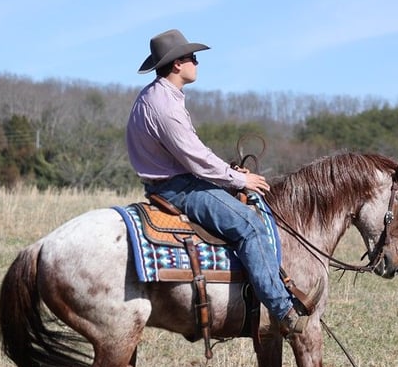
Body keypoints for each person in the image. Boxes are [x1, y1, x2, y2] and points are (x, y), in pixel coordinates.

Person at [125, 29, 318, 337]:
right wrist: (238, 178)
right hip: (180, 188)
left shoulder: (154, 95)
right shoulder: (165, 106)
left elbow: (192, 153)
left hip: (172, 181)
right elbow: (195, 158)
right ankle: (284, 311)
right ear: (176, 64)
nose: (196, 63)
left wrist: (227, 173)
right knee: (250, 225)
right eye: (192, 58)